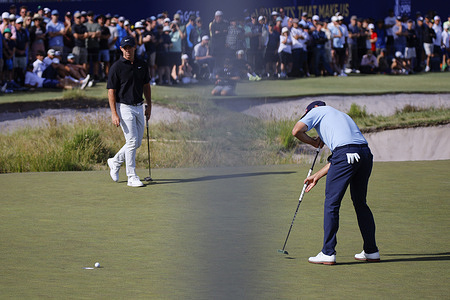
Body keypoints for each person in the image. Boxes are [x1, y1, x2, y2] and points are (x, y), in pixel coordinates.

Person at [292, 101, 379, 265]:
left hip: (346, 154)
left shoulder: (317, 111)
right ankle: (371, 251)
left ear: (313, 109)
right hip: (365, 154)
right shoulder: (342, 115)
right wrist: (317, 175)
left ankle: (328, 252)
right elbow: (348, 153)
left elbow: (296, 131)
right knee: (361, 203)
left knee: (332, 204)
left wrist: (312, 142)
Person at [107, 36, 152, 187]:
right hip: (124, 107)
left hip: (139, 106)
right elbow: (111, 92)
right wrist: (114, 113)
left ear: (134, 47)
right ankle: (131, 176)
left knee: (137, 142)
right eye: (124, 48)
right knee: (132, 141)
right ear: (121, 49)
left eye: (130, 48)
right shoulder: (116, 67)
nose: (127, 50)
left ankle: (115, 161)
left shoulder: (142, 64)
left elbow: (146, 86)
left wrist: (149, 106)